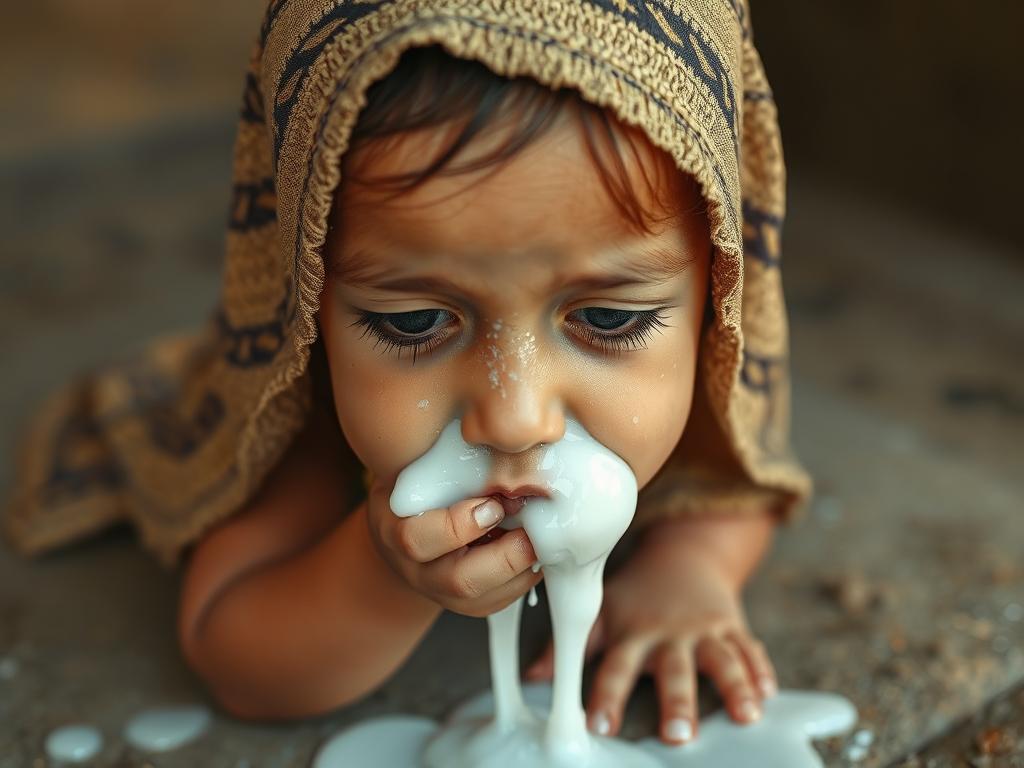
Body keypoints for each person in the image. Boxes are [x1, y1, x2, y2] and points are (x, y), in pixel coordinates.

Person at [4, 0, 811, 748]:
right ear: (309, 301)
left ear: (719, 291)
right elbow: (237, 661)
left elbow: (736, 477)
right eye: (414, 323)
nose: (516, 415)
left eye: (608, 320)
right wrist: (379, 573)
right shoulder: (310, 417)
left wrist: (692, 568)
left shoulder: (706, 367)